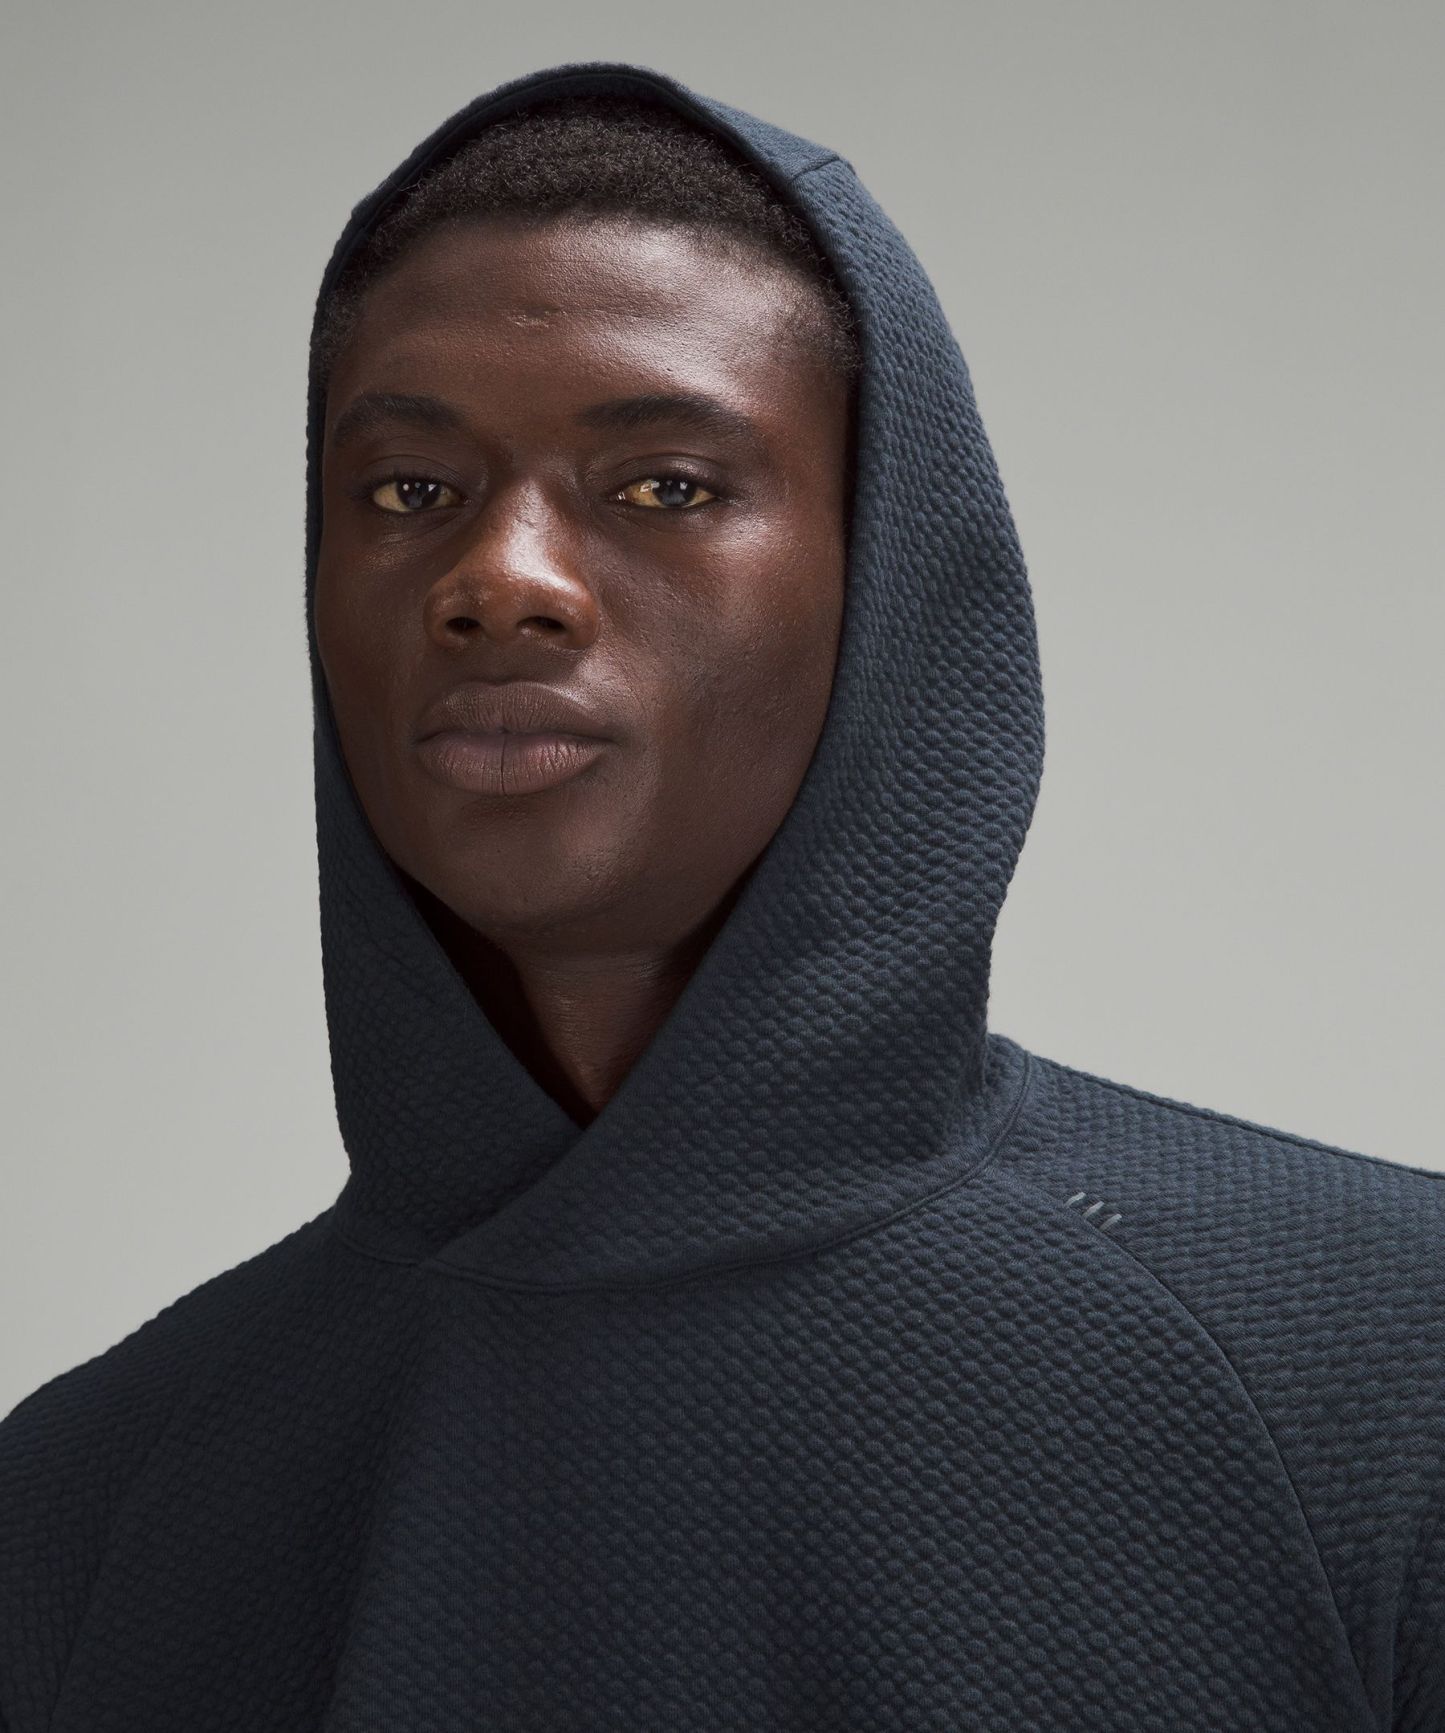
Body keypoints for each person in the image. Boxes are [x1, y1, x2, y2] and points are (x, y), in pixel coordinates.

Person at [1, 58, 1440, 1732]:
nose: (498, 580)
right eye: (408, 492)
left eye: (665, 486)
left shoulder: (1384, 1368)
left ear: (889, 576)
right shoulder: (79, 1506)